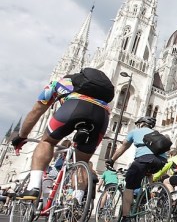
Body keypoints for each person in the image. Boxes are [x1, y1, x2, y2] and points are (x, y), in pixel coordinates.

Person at [11, 72, 111, 203]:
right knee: (82, 162)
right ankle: (76, 200)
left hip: (74, 107)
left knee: (47, 142)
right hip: (101, 115)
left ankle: (33, 187)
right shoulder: (101, 93)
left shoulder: (59, 83)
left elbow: (36, 111)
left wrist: (21, 136)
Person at [107, 116, 168, 222]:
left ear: (141, 124)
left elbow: (122, 148)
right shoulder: (157, 133)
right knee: (148, 172)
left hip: (143, 159)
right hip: (161, 162)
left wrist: (112, 160)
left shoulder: (135, 131)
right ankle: (150, 194)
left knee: (129, 187)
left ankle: (125, 218)